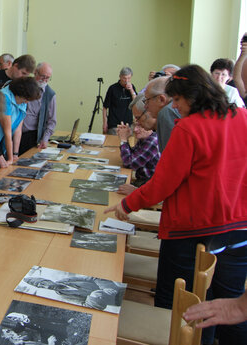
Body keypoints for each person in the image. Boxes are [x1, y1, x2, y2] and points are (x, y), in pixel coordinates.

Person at [105, 65, 247, 345]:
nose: (176, 109)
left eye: (178, 102)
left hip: (194, 228)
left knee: (182, 306)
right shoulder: (242, 117)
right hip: (239, 228)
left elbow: (163, 184)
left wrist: (129, 205)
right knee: (228, 305)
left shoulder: (189, 128)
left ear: (190, 97)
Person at [0, 76, 41, 170]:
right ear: (21, 94)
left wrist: (15, 154)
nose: (26, 102)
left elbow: (18, 130)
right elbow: (7, 132)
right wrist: (10, 158)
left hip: (2, 145)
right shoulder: (4, 97)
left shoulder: (23, 102)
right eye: (26, 99)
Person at [116, 95, 160, 187]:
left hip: (147, 185)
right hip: (142, 182)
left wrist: (123, 140)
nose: (135, 130)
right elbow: (132, 156)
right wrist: (126, 139)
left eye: (139, 125)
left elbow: (129, 163)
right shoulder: (145, 138)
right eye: (135, 125)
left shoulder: (152, 141)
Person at [19, 62, 56, 154]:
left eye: (47, 78)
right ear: (35, 72)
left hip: (32, 136)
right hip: (15, 132)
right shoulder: (24, 85)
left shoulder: (50, 94)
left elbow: (52, 121)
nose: (44, 80)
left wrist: (45, 139)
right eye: (42, 76)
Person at [142, 75, 180, 152]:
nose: (145, 107)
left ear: (161, 99)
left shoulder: (166, 113)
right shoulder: (177, 109)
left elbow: (169, 155)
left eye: (147, 101)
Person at [103, 67, 136, 134]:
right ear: (120, 77)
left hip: (128, 125)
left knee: (127, 144)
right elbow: (105, 107)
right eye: (124, 78)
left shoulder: (132, 87)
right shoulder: (112, 88)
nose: (126, 80)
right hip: (114, 125)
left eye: (129, 78)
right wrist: (105, 123)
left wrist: (131, 90)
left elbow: (136, 103)